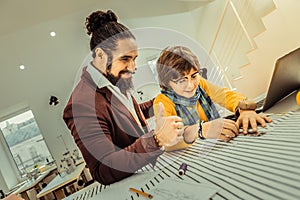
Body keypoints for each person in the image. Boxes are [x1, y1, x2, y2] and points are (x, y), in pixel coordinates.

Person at [63, 10, 184, 185]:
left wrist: (163, 99)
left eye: (134, 59)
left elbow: (130, 114)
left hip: (149, 175)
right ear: (100, 55)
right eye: (125, 59)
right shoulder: (81, 104)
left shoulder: (113, 81)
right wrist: (156, 140)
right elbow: (102, 170)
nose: (133, 67)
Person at [154, 46, 272, 151]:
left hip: (217, 146)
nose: (190, 86)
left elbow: (225, 95)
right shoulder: (162, 102)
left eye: (194, 76)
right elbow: (168, 142)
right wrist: (200, 130)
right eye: (181, 80)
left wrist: (244, 109)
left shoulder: (201, 84)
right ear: (167, 83)